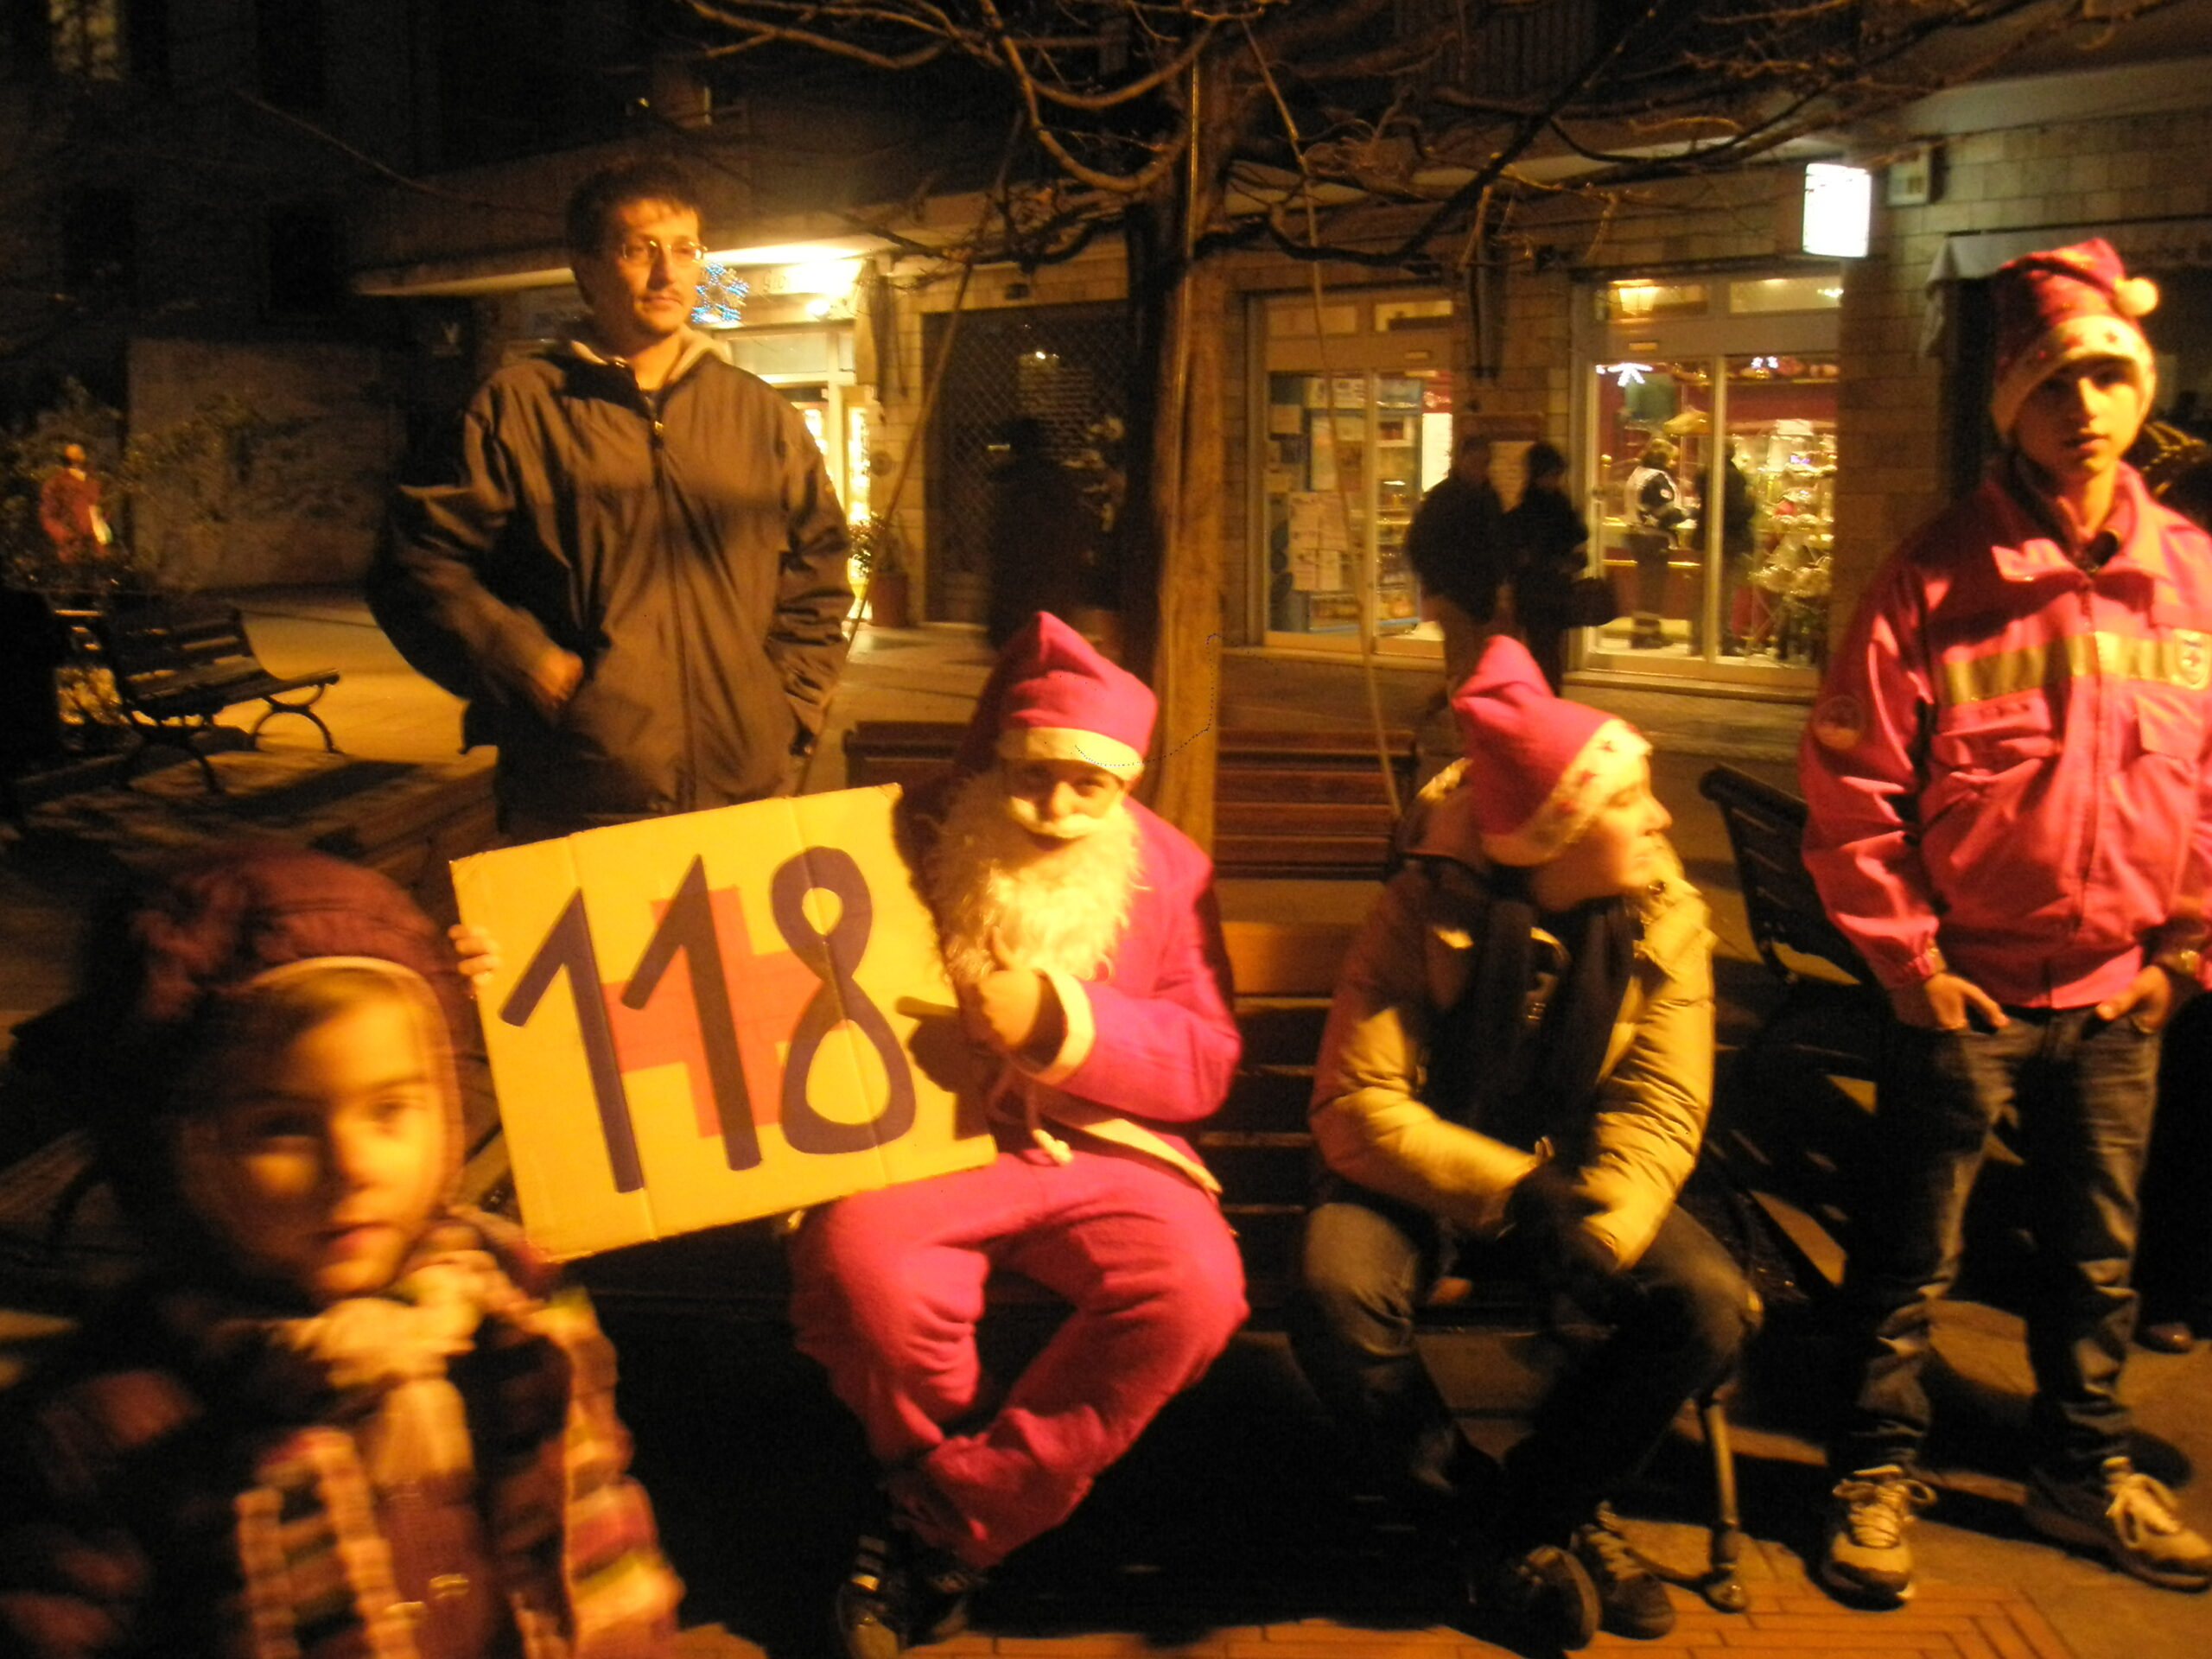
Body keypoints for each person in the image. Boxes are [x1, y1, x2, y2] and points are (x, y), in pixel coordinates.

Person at [1801, 238, 2212, 1605]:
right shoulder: (1933, 577)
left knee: (2098, 1267)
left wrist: (2188, 955)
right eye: (2052, 384)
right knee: (1910, 1259)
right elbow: (1855, 788)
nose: (2085, 406)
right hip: (1964, 992)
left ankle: (2080, 1473)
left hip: (2118, 996)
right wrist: (1910, 964)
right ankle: (1873, 1470)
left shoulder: (2196, 578)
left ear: (2141, 388)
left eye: (2108, 374)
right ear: (2011, 410)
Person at [0, 842, 683, 1658]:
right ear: (176, 1150)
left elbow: (594, 1521)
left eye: (390, 1110)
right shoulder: (118, 1420)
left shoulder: (512, 1313)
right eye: (282, 1127)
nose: (353, 1167)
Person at [789, 612, 1247, 1658]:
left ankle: (934, 1524)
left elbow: (1206, 1060)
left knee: (1194, 1290)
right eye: (1035, 776)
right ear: (1000, 755)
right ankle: (964, 1507)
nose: (1055, 809)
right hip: (921, 1137)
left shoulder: (1169, 871)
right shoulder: (906, 831)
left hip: (1106, 1148)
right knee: (866, 1280)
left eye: (1089, 786)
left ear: (1126, 782)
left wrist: (1061, 1024)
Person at [1292, 633, 1752, 1649]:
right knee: (1335, 1288)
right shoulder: (1420, 909)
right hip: (1425, 1176)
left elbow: (1661, 1103)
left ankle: (1548, 1507)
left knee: (1706, 1303)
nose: (1661, 818)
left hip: (1579, 1180)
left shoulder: (1664, 916)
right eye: (1628, 802)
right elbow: (1357, 1105)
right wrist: (1513, 1192)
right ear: (1555, 835)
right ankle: (1481, 1517)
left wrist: (1601, 1227)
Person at [369, 159, 854, 841]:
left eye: (685, 249)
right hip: (578, 797)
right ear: (587, 267)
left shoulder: (759, 415)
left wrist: (787, 708)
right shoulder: (517, 409)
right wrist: (518, 657)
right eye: (638, 249)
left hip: (743, 791)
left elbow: (819, 573)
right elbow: (417, 565)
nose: (667, 273)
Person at [1406, 433, 1510, 690]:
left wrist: (1501, 583)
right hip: (1452, 593)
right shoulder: (1443, 498)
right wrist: (1436, 585)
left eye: (1484, 463)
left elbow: (1498, 543)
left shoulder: (1489, 498)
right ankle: (1462, 706)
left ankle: (1463, 702)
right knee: (1462, 660)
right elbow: (1418, 543)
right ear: (1461, 460)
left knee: (1480, 661)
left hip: (1481, 593)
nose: (1479, 470)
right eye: (1475, 462)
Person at [1504, 440, 1591, 691]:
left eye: (1557, 475)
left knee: (1547, 649)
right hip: (1537, 589)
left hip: (1549, 589)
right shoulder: (1534, 508)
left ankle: (1546, 696)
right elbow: (1518, 550)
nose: (1554, 481)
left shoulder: (1557, 505)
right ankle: (1545, 696)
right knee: (1543, 649)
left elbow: (1578, 541)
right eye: (1550, 475)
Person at [37, 442, 111, 568]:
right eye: (74, 456)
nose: (79, 458)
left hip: (96, 548)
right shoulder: (56, 484)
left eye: (80, 453)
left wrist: (102, 527)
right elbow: (47, 516)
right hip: (71, 551)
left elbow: (102, 511)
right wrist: (66, 536)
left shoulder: (94, 483)